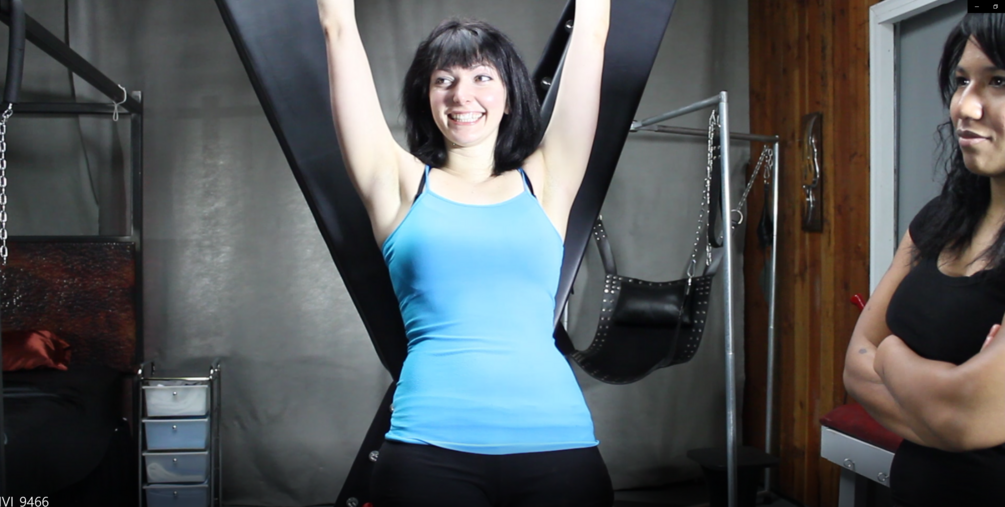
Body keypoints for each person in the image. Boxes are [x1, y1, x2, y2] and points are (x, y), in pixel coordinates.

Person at [315, 1, 612, 506]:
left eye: (482, 77)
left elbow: (591, 34)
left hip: (557, 445)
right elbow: (337, 27)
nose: (462, 95)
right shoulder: (398, 185)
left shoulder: (548, 181)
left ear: (510, 98)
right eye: (444, 80)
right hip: (428, 452)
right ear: (427, 98)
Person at [843, 13, 1005, 507]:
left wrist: (890, 353)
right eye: (962, 81)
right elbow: (854, 368)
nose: (965, 106)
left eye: (998, 81)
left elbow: (963, 415)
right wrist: (942, 406)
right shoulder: (938, 219)